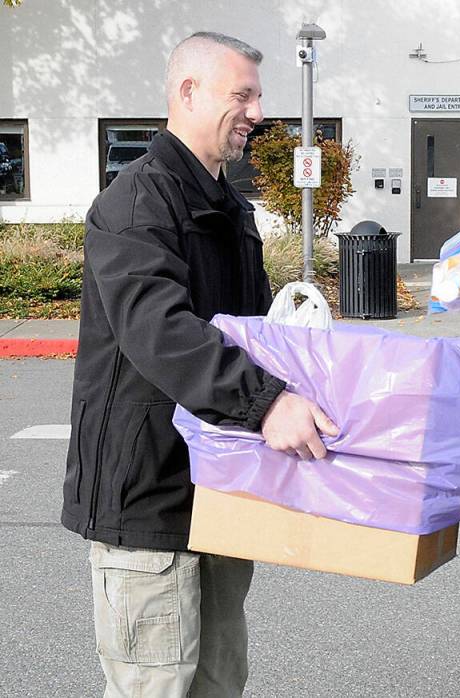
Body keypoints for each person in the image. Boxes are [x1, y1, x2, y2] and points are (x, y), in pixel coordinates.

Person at [61, 33, 339, 697]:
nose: (257, 111)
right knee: (155, 686)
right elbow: (159, 330)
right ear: (188, 92)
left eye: (258, 96)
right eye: (243, 94)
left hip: (219, 493)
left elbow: (244, 335)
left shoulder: (231, 210)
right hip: (149, 502)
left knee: (218, 681)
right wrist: (266, 402)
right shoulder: (135, 204)